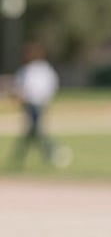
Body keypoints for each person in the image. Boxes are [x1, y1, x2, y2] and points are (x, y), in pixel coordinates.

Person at [7, 42, 71, 170]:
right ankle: (40, 155)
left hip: (37, 103)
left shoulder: (40, 69)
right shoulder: (27, 69)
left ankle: (52, 152)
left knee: (35, 131)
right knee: (33, 131)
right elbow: (19, 87)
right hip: (29, 104)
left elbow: (46, 86)